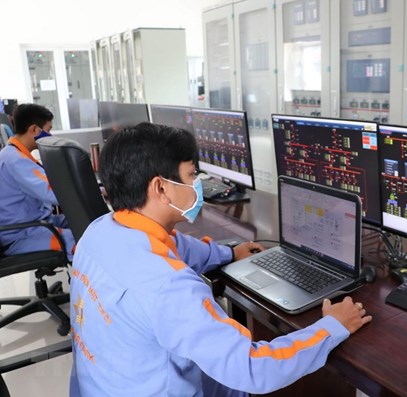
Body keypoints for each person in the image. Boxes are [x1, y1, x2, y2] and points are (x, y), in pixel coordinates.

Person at [69, 122, 372, 396]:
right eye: (192, 175)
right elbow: (252, 369)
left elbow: (175, 246)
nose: (197, 183)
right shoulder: (169, 286)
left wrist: (229, 252)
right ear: (161, 187)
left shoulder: (101, 231)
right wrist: (331, 327)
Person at [0, 103, 75, 258]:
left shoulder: (13, 154)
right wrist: (95, 191)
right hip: (20, 235)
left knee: (85, 224)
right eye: (48, 130)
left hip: (36, 223)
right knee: (80, 243)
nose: (50, 135)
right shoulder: (15, 160)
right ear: (34, 130)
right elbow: (53, 193)